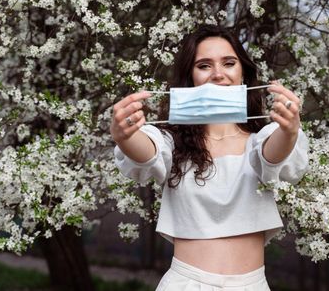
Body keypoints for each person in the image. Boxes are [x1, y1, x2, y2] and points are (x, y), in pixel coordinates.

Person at [110, 25, 309, 290]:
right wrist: (124, 135)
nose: (218, 75)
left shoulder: (263, 138)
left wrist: (290, 130)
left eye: (229, 63)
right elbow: (147, 150)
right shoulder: (172, 141)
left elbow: (273, 154)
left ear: (243, 73)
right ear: (189, 77)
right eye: (204, 65)